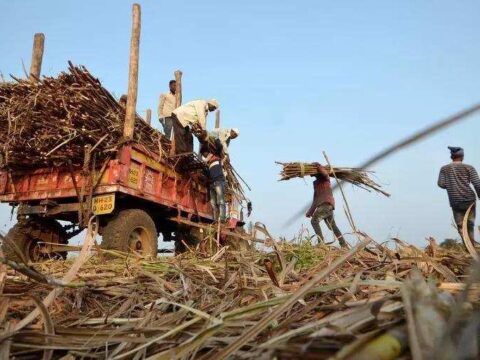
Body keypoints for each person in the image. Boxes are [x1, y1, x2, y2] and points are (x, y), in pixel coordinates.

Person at [438, 146, 480, 243]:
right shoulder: (469, 168)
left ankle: (468, 248)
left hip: (455, 201)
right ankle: (472, 247)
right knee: (470, 224)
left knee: (461, 226)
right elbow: (477, 184)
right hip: (469, 200)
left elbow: (441, 184)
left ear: (451, 156)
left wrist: (451, 185)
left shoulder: (444, 169)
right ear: (462, 156)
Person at [306, 163, 347, 247]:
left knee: (314, 221)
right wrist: (310, 212)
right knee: (332, 226)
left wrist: (317, 165)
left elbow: (324, 173)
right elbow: (315, 200)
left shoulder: (325, 179)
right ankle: (343, 244)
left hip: (326, 204)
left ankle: (321, 243)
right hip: (326, 206)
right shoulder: (316, 183)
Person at [201, 145, 227, 222]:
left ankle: (222, 219)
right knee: (213, 203)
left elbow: (219, 147)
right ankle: (215, 219)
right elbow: (208, 174)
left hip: (219, 181)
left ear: (207, 152)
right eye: (203, 154)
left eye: (204, 153)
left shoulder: (216, 157)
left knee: (220, 201)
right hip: (212, 184)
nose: (204, 155)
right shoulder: (208, 164)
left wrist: (217, 141)